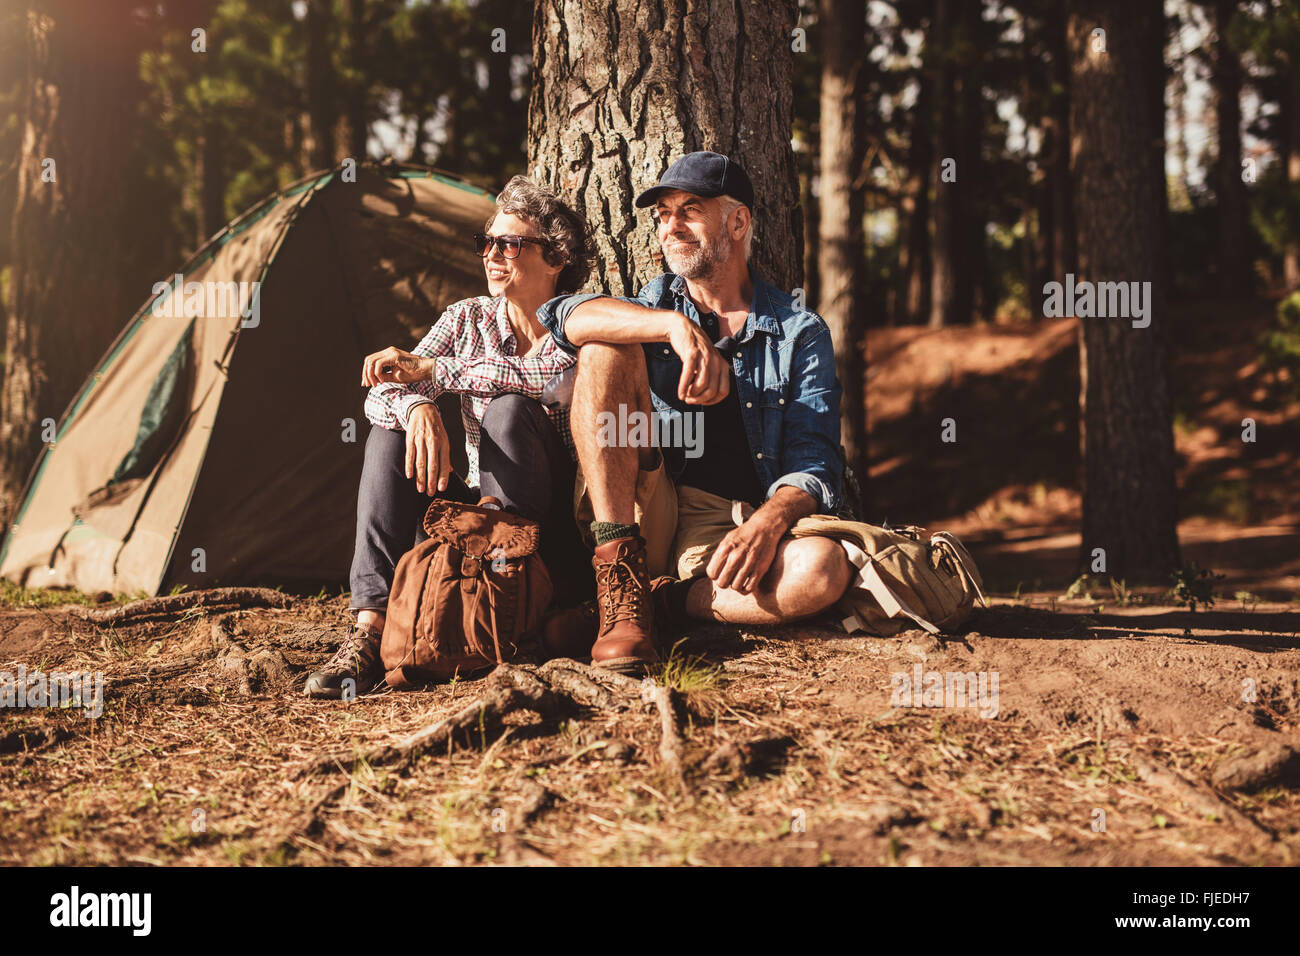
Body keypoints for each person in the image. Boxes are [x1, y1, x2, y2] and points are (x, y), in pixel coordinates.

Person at [538, 151, 854, 674]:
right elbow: (563, 315)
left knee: (820, 571)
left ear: (737, 221)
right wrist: (672, 328)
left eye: (689, 210)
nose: (671, 226)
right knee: (603, 348)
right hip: (640, 502)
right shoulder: (654, 304)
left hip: (723, 526)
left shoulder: (800, 332)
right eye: (663, 214)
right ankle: (620, 582)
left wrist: (769, 523)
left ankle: (659, 605)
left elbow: (817, 464)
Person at [305, 175, 596, 699]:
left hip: (547, 540)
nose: (491, 255)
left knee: (508, 412)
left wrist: (435, 371)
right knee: (389, 434)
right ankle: (368, 634)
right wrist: (417, 403)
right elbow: (382, 392)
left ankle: (506, 614)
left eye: (508, 244)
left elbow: (538, 382)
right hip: (473, 521)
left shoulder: (575, 321)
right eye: (486, 243)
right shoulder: (465, 318)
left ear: (555, 258)